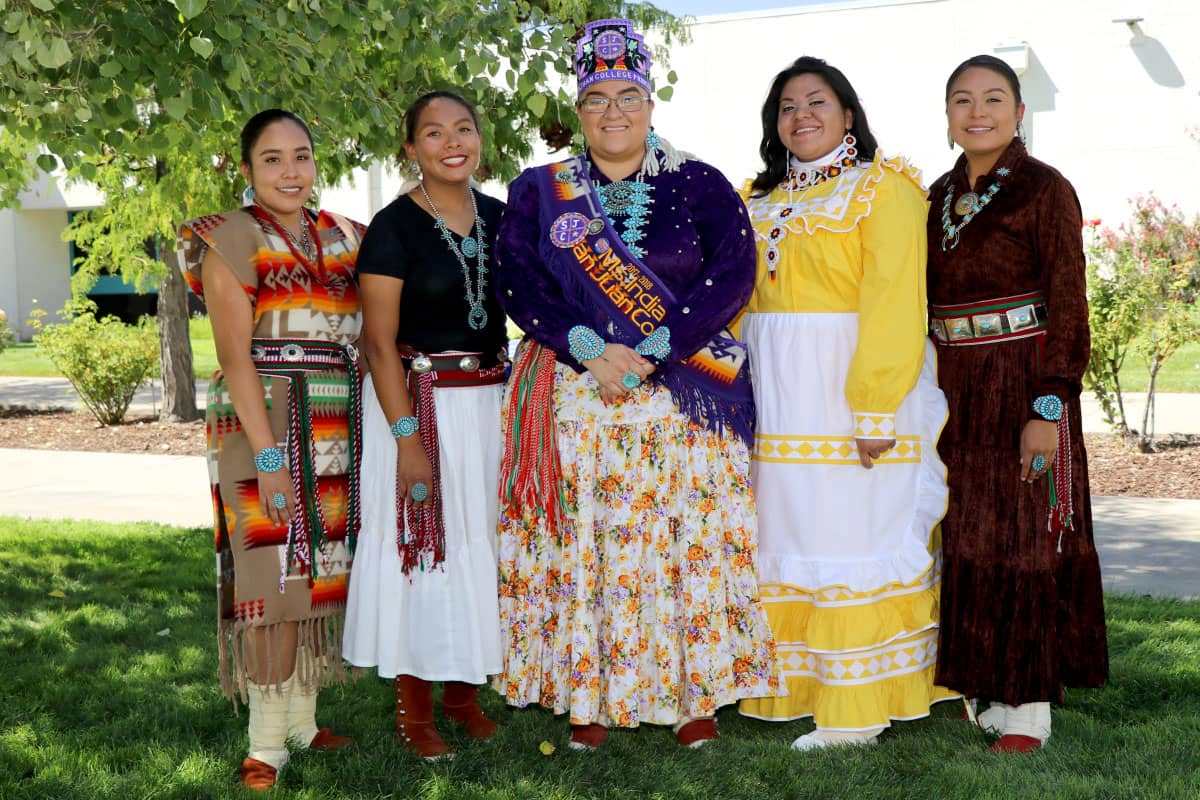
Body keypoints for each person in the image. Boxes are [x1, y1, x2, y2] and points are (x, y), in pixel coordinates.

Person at [492, 17, 780, 751]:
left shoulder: (699, 183)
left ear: (651, 104)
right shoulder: (538, 190)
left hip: (682, 396)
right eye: (596, 98)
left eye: (628, 95)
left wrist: (651, 349)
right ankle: (588, 695)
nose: (613, 111)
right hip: (580, 393)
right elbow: (518, 279)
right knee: (590, 547)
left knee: (684, 545)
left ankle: (694, 697)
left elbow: (732, 278)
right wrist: (589, 346)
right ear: (577, 110)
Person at [736, 57, 954, 750]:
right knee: (790, 534)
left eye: (817, 101)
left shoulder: (882, 191)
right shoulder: (754, 198)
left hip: (850, 387)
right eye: (788, 105)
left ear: (848, 114)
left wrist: (874, 409)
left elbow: (895, 301)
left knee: (851, 534)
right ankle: (797, 688)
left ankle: (856, 709)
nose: (802, 115)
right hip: (777, 396)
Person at [176, 109, 363, 790]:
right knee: (270, 580)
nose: (291, 171)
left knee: (317, 575)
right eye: (273, 159)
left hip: (335, 421)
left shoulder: (345, 236)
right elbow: (234, 354)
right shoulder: (230, 236)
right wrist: (268, 456)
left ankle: (304, 721)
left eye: (302, 156)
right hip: (262, 418)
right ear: (248, 168)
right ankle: (266, 743)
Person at [927, 54, 1108, 753]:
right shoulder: (935, 195)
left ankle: (1031, 701)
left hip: (1023, 380)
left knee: (1027, 537)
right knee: (971, 537)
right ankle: (991, 687)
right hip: (954, 389)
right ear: (947, 116)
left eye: (994, 98)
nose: (978, 111)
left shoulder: (1045, 190)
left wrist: (1050, 407)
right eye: (963, 100)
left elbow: (1068, 304)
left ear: (1019, 111)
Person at [342, 91, 508, 761]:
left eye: (463, 128)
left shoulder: (503, 218)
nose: (451, 142)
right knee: (423, 546)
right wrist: (408, 441)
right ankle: (415, 707)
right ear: (410, 148)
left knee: (481, 540)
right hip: (418, 405)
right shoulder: (394, 226)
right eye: (433, 133)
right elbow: (378, 344)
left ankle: (465, 695)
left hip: (488, 402)